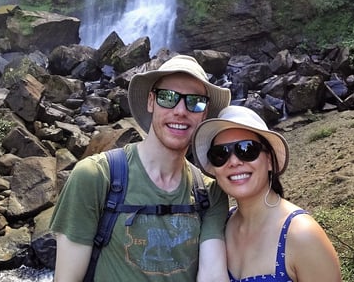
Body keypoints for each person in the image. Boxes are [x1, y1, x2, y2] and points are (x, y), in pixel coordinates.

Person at [49, 55, 233, 282]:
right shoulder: (96, 177)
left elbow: (213, 275)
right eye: (168, 97)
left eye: (195, 101)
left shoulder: (210, 194)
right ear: (150, 102)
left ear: (204, 114)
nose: (181, 111)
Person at [192, 106, 342, 282]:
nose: (233, 162)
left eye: (246, 150)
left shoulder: (302, 235)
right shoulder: (222, 224)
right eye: (220, 154)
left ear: (269, 161)